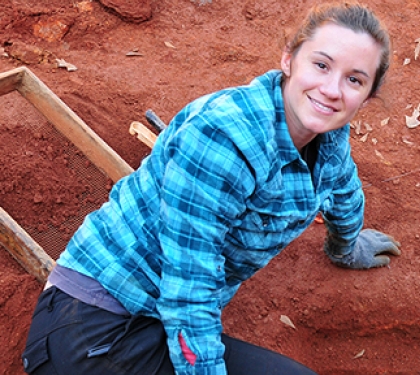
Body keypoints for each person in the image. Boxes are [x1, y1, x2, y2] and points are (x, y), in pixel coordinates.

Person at [21, 2, 400, 374]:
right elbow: (190, 290)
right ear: (288, 60)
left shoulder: (327, 135)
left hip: (155, 320)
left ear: (366, 95)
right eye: (321, 64)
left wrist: (346, 247)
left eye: (354, 79)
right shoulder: (223, 140)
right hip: (95, 326)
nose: (332, 89)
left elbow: (341, 185)